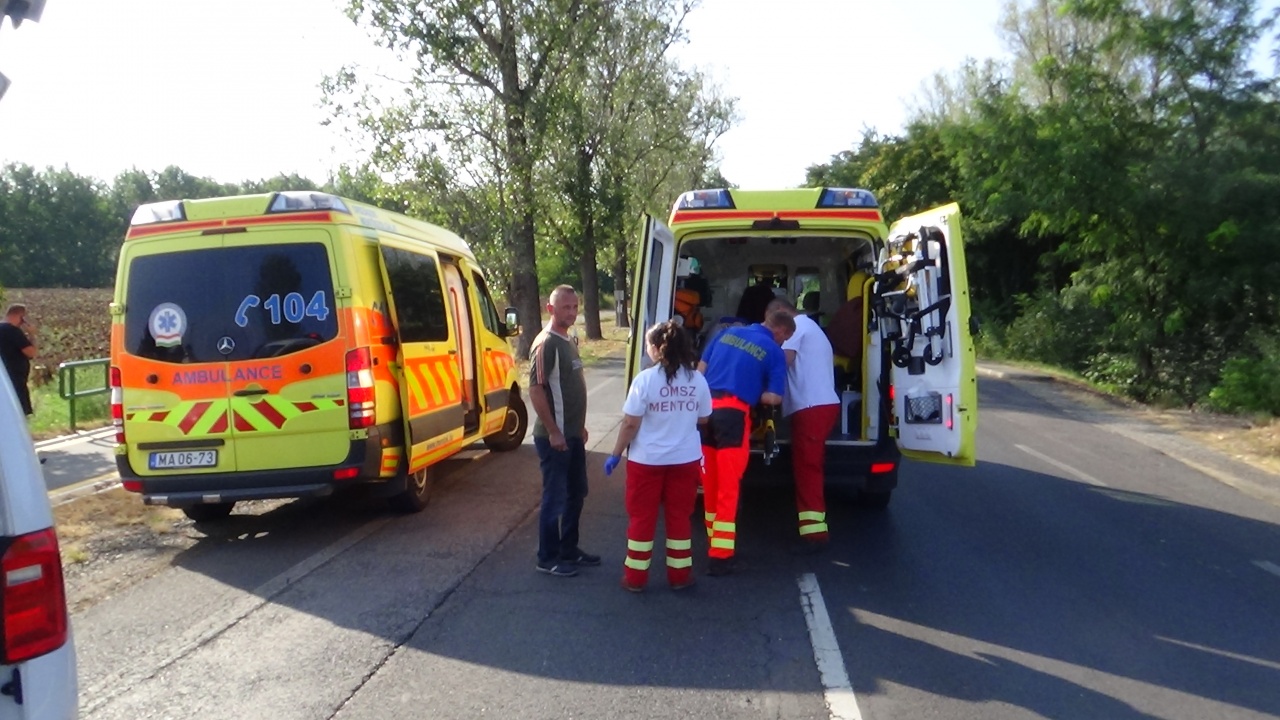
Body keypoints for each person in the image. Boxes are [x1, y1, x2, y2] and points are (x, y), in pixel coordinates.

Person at [604, 320, 711, 592]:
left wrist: (616, 454)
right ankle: (680, 576)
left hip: (647, 461)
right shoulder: (697, 380)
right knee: (679, 518)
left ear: (655, 348)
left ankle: (636, 578)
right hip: (685, 460)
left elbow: (630, 423)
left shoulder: (645, 380)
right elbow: (704, 418)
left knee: (642, 518)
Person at [696, 309, 794, 576]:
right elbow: (773, 397)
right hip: (733, 417)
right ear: (781, 332)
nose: (783, 344)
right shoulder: (773, 351)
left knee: (711, 484)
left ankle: (713, 545)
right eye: (785, 340)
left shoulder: (726, 333)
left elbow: (699, 372)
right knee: (728, 487)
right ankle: (721, 557)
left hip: (703, 415)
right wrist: (755, 388)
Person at [528, 285, 599, 578]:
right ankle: (547, 557)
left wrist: (577, 427)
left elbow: (569, 387)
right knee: (555, 497)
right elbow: (535, 390)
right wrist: (555, 431)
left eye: (575, 307)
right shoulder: (546, 343)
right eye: (565, 307)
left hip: (572, 435)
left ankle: (569, 549)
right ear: (550, 309)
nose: (571, 312)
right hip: (554, 439)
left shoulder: (568, 340)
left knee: (576, 493)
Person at [767, 298, 841, 553]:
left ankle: (814, 532)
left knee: (808, 468)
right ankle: (811, 526)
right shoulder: (811, 327)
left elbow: (782, 361)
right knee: (807, 464)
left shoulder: (798, 327)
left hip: (812, 408)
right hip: (819, 406)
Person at [0, 304, 38, 417]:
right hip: (15, 379)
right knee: (19, 413)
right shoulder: (13, 332)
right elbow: (31, 352)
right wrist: (32, 335)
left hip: (4, 379)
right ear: (20, 316)